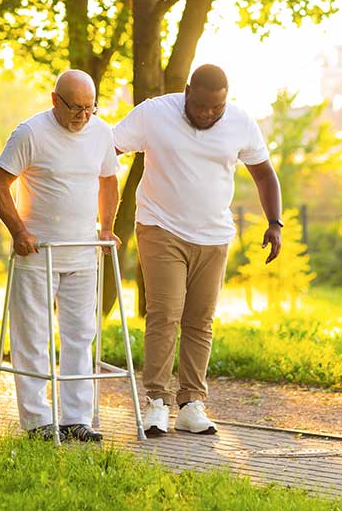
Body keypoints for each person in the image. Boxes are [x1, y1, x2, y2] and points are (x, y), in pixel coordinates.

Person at [113, 64, 282, 436]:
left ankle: (191, 404)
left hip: (214, 236)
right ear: (188, 91)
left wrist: (274, 222)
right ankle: (157, 402)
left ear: (226, 101)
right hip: (161, 227)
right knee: (164, 314)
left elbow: (264, 173)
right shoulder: (154, 113)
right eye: (202, 106)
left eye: (216, 109)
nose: (208, 115)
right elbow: (108, 147)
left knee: (200, 321)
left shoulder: (240, 122)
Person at [0, 70, 120, 442]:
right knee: (33, 335)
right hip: (38, 251)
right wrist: (18, 231)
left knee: (81, 335)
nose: (82, 116)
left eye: (89, 108)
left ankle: (77, 418)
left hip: (82, 251)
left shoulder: (101, 133)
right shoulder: (30, 133)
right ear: (54, 100)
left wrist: (106, 227)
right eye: (75, 107)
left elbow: (108, 180)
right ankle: (37, 421)